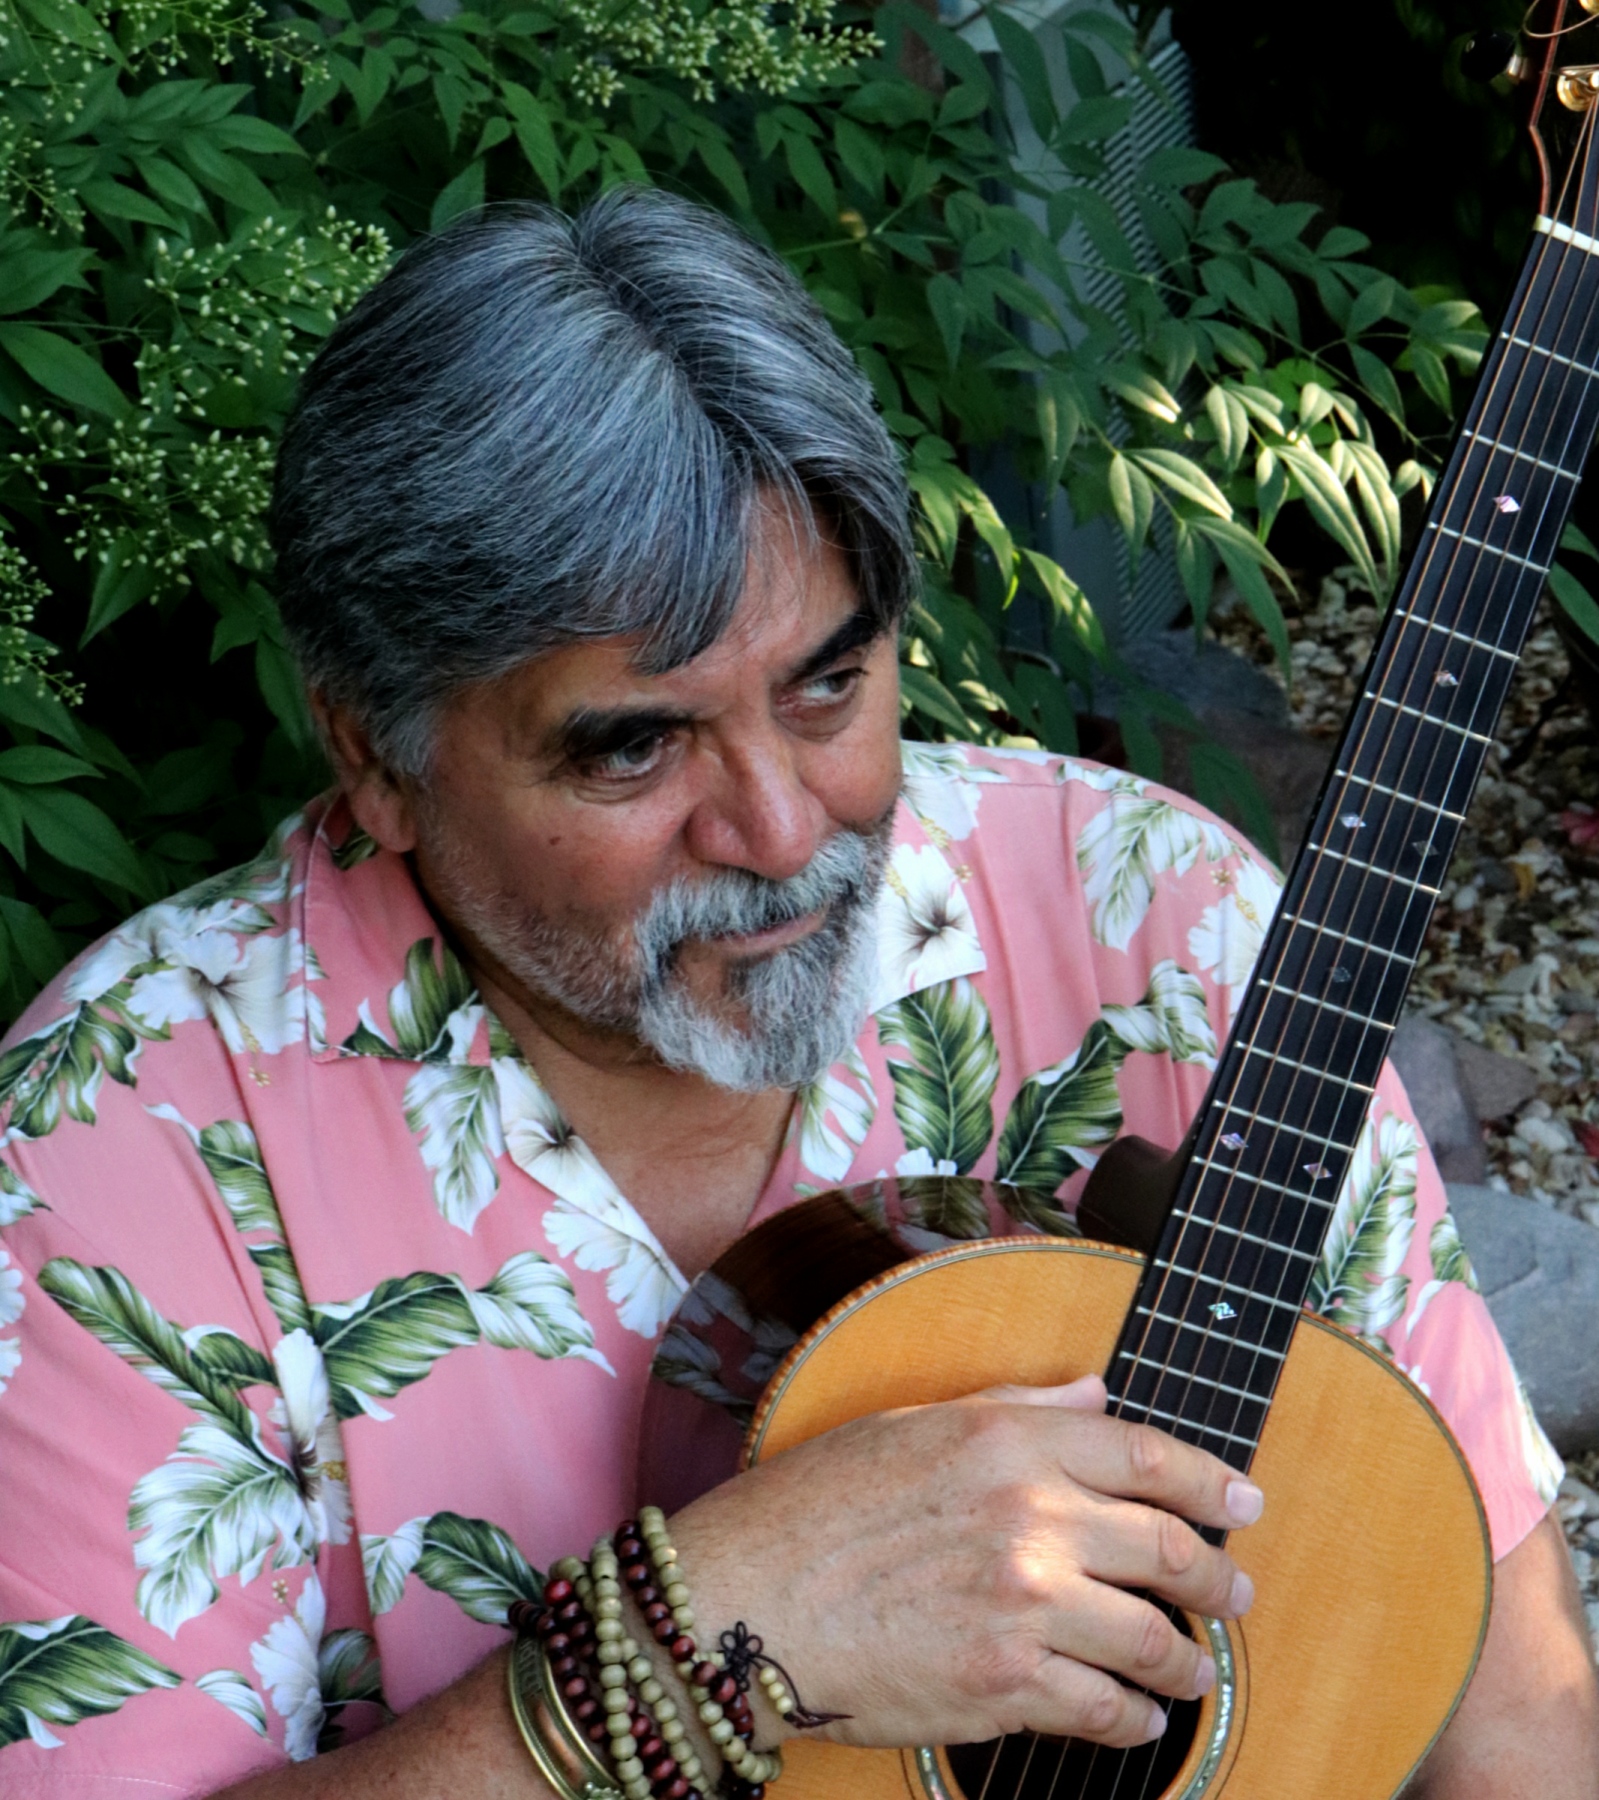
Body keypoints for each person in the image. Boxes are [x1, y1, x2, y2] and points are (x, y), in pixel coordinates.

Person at [0, 188, 1593, 1800]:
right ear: (374, 752)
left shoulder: (1153, 930)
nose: (780, 829)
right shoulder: (108, 1161)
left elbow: (1517, 1714)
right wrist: (715, 1633)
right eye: (635, 742)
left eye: (828, 682)